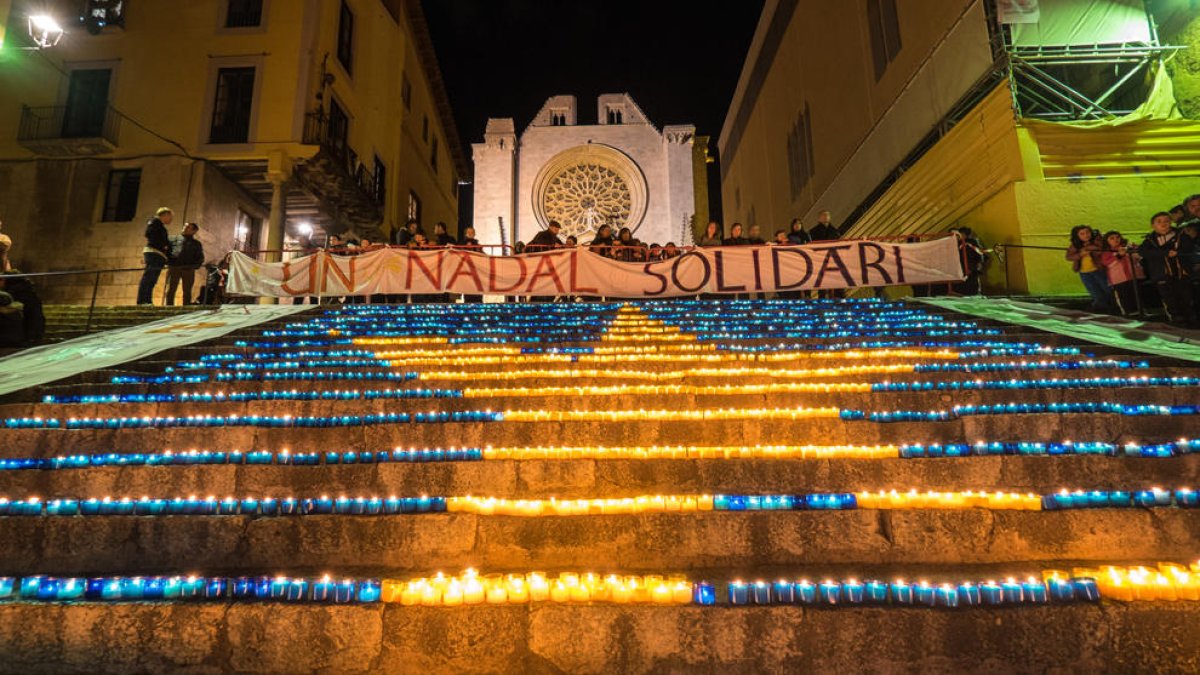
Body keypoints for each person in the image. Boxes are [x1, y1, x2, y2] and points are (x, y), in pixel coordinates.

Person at [1138, 211, 1196, 326]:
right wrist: (1164, 253)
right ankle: (1177, 322)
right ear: (1153, 225)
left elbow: (1189, 248)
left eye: (1166, 221)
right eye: (1159, 222)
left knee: (1187, 298)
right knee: (1170, 300)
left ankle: (1193, 322)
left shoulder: (1181, 235)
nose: (1163, 224)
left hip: (1181, 273)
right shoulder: (1149, 240)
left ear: (1171, 223)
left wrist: (1178, 252)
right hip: (1162, 275)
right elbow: (1143, 252)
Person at [1066, 225, 1112, 313]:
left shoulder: (1096, 241)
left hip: (1098, 270)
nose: (1086, 235)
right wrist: (1080, 254)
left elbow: (1101, 250)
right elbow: (1069, 257)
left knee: (1107, 290)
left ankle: (1113, 308)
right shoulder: (1075, 245)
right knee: (1095, 292)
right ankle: (1101, 310)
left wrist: (1089, 247)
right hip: (1084, 273)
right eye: (1082, 234)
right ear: (1077, 236)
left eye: (1087, 232)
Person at [137, 207, 173, 305]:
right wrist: (163, 245)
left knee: (152, 279)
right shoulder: (154, 222)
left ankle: (147, 300)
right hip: (154, 252)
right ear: (165, 215)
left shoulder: (159, 225)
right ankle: (142, 300)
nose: (171, 219)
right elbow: (149, 234)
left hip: (158, 254)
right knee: (149, 277)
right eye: (170, 217)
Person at [1100, 231, 1141, 316]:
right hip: (1119, 279)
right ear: (1106, 241)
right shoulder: (1106, 252)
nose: (1116, 239)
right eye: (1112, 238)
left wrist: (1134, 249)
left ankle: (1140, 311)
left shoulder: (1128, 247)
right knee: (1124, 297)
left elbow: (1139, 257)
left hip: (1133, 276)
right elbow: (1108, 263)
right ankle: (1128, 313)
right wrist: (1119, 255)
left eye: (1117, 237)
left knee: (1136, 295)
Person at [165, 222, 204, 306]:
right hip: (174, 267)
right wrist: (168, 262)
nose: (185, 228)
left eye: (188, 227)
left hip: (188, 269)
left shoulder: (196, 244)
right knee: (171, 288)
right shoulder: (173, 239)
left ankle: (185, 307)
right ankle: (169, 306)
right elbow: (167, 251)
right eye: (185, 226)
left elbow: (200, 257)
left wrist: (194, 266)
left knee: (187, 290)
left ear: (194, 231)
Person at [951, 227, 986, 296]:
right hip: (965, 267)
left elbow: (978, 253)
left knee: (969, 283)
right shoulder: (959, 243)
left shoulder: (970, 242)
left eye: (959, 234)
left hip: (969, 267)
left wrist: (978, 264)